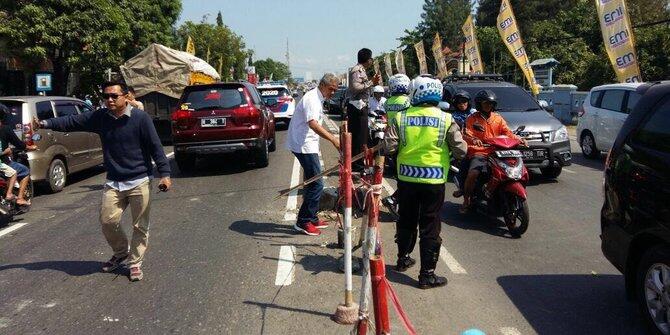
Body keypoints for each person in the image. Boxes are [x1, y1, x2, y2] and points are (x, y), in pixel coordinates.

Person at [33, 81, 171, 282]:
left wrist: (165, 174)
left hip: (139, 180)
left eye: (114, 96)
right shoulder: (101, 117)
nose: (110, 100)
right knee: (108, 221)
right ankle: (121, 251)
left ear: (126, 97)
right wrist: (45, 124)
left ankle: (135, 263)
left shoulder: (141, 119)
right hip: (114, 180)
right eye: (106, 96)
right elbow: (74, 121)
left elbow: (156, 147)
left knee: (140, 226)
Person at [383, 75, 467, 289]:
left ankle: (403, 259)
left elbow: (389, 148)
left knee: (407, 219)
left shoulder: (401, 118)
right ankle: (427, 275)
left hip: (406, 179)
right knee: (430, 225)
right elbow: (461, 149)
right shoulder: (446, 119)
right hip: (434, 180)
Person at [286, 73, 341, 236]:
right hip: (303, 145)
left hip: (307, 143)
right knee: (316, 184)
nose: (333, 93)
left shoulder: (319, 98)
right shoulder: (311, 98)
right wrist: (333, 139)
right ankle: (303, 221)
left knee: (312, 182)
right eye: (331, 89)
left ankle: (311, 217)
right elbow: (313, 124)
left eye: (335, 90)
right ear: (323, 85)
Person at [461, 89, 526, 213]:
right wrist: (473, 139)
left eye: (490, 103)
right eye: (485, 103)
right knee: (473, 173)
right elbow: (466, 134)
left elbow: (507, 132)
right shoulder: (472, 118)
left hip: (497, 151)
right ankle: (467, 199)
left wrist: (519, 139)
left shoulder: (498, 118)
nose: (488, 106)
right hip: (480, 152)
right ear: (479, 104)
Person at [380, 74, 411, 217]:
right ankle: (395, 200)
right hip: (405, 140)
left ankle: (398, 201)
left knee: (400, 175)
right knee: (407, 177)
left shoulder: (387, 102)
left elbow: (385, 117)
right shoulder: (408, 102)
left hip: (391, 140)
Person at [346, 48, 381, 170]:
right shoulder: (357, 70)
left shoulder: (362, 70)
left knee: (362, 137)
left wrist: (373, 83)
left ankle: (358, 163)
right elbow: (356, 87)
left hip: (361, 106)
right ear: (367, 59)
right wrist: (371, 82)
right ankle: (357, 165)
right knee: (358, 138)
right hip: (357, 106)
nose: (372, 60)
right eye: (371, 58)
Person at [0, 103, 37, 206]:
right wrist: (30, 147)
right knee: (24, 171)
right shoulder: (5, 129)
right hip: (3, 162)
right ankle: (19, 197)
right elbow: (19, 144)